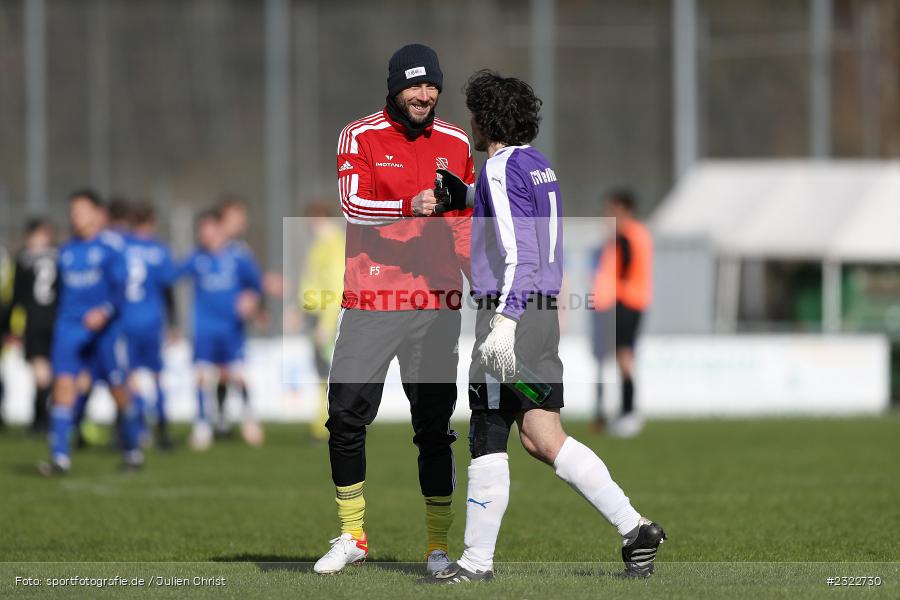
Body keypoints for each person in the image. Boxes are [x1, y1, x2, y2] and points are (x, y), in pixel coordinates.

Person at [421, 71, 666, 584]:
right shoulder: (537, 164)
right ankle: (636, 529)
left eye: (473, 114)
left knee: (488, 428)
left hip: (512, 313)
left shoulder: (497, 168)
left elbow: (520, 254)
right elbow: (515, 213)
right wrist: (460, 198)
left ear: (485, 121)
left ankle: (475, 563)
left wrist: (504, 324)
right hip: (542, 315)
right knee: (540, 436)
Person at [313, 43, 474, 575]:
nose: (424, 95)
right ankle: (352, 534)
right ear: (394, 87)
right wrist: (413, 204)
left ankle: (436, 548)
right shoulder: (359, 136)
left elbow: (465, 224)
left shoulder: (455, 141)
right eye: (413, 86)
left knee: (433, 428)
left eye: (431, 86)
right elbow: (352, 204)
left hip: (436, 305)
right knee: (344, 419)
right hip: (372, 302)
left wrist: (491, 286)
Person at [40, 189, 143, 475]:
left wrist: (105, 311)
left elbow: (122, 289)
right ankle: (60, 457)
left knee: (119, 391)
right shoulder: (66, 251)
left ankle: (132, 450)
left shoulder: (112, 247)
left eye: (81, 210)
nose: (75, 216)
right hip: (70, 327)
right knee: (63, 386)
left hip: (106, 331)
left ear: (98, 214)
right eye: (72, 211)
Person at [178, 208, 263, 450]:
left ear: (220, 230)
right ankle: (202, 426)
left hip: (231, 329)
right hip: (204, 328)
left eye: (210, 230)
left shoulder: (238, 257)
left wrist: (251, 299)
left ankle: (249, 419)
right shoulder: (196, 258)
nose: (206, 235)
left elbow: (255, 285)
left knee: (238, 376)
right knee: (202, 377)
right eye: (202, 231)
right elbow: (172, 274)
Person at [591, 189, 653, 438]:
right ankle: (625, 412)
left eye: (612, 210)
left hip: (625, 301)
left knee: (624, 357)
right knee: (622, 356)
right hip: (630, 301)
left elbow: (624, 267)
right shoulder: (637, 234)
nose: (608, 215)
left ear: (623, 209)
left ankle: (629, 413)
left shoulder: (627, 235)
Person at [122, 202, 178, 449]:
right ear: (152, 223)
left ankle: (140, 428)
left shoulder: (121, 247)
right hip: (152, 320)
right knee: (157, 376)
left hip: (126, 320)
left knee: (131, 376)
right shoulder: (159, 250)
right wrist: (173, 321)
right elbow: (168, 288)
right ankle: (163, 430)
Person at [297, 202, 345, 442]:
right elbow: (313, 283)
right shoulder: (321, 245)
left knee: (327, 372)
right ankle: (325, 424)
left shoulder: (332, 245)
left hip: (326, 315)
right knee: (323, 372)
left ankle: (327, 425)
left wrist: (326, 323)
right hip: (317, 313)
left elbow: (336, 287)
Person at [8, 218, 58, 434]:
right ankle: (47, 416)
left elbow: (16, 297)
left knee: (40, 370)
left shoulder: (23, 259)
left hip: (34, 319)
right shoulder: (59, 256)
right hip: (56, 318)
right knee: (51, 368)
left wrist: (10, 327)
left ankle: (40, 417)